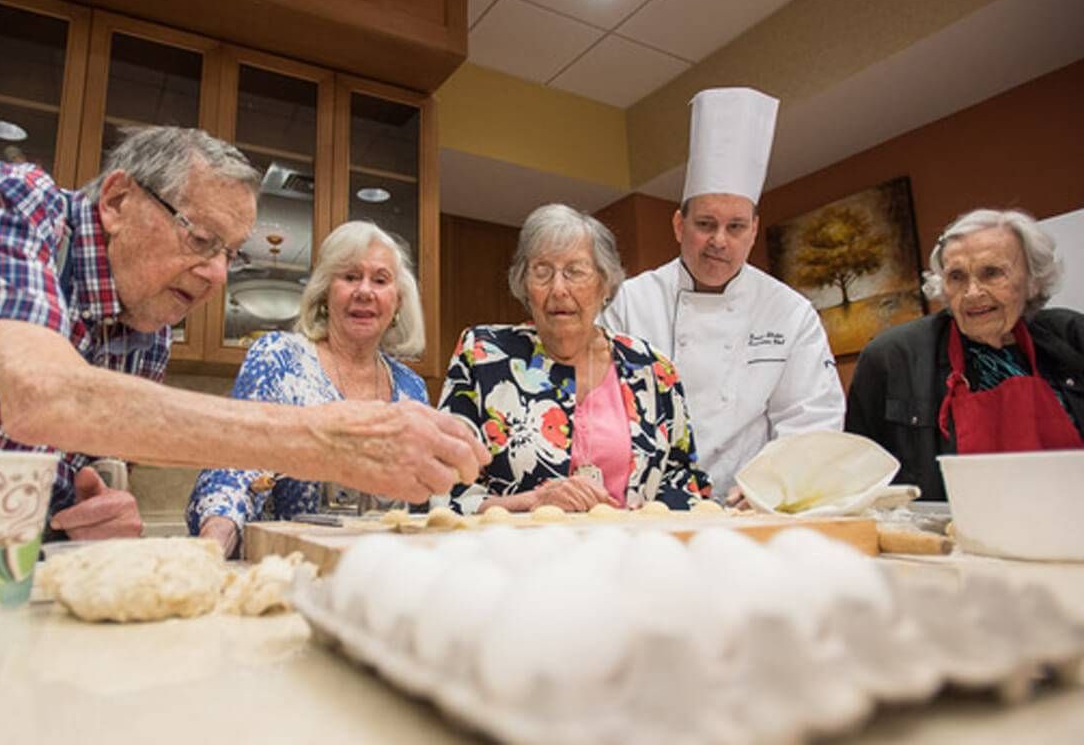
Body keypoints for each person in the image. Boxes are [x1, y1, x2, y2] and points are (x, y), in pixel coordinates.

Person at [0, 127, 487, 575]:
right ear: (118, 201)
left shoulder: (144, 337)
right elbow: (45, 395)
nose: (219, 274)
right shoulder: (10, 204)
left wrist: (87, 506)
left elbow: (64, 463)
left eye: (231, 253)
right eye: (201, 238)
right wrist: (327, 439)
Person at [602, 88, 843, 500]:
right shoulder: (629, 301)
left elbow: (810, 418)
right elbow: (597, 403)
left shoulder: (791, 312)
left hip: (747, 505)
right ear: (679, 225)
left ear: (752, 230)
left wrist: (774, 488)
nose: (719, 241)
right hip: (642, 507)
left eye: (735, 227)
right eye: (705, 224)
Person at [438, 204, 711, 516]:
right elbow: (443, 488)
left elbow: (685, 483)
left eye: (575, 272)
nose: (558, 289)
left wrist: (640, 517)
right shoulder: (484, 354)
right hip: (516, 555)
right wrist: (532, 503)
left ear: (605, 284)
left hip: (631, 554)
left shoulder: (652, 367)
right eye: (542, 272)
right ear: (525, 285)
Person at [188, 221, 429, 556]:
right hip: (291, 571)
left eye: (380, 279)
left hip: (381, 574)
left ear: (398, 301)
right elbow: (234, 466)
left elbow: (418, 505)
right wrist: (211, 546)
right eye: (349, 276)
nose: (364, 291)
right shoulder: (279, 358)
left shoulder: (411, 388)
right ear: (325, 293)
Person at [845, 209, 1084, 501]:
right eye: (956, 277)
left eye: (992, 273)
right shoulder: (893, 357)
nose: (972, 292)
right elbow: (858, 481)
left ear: (1033, 279)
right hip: (953, 541)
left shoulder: (1073, 337)